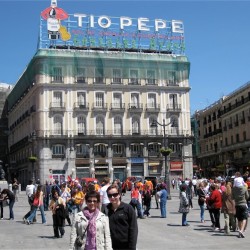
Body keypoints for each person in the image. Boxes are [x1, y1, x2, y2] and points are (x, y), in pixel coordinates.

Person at [106, 184, 138, 250]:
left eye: (115, 195)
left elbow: (133, 229)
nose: (112, 197)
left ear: (119, 194)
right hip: (110, 246)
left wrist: (132, 247)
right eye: (110, 195)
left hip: (126, 246)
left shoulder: (128, 208)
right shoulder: (106, 209)